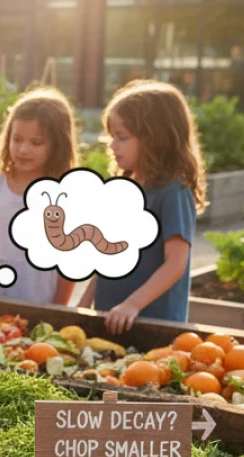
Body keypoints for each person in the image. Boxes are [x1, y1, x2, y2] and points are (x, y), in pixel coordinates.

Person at [78, 80, 207, 333]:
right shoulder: (124, 186)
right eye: (111, 137)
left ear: (156, 139)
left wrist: (132, 305)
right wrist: (84, 303)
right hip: (110, 318)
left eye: (122, 137)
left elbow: (176, 264)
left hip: (152, 325)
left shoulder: (173, 191)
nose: (112, 145)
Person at [0, 87, 80, 305]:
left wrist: (58, 308)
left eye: (36, 143)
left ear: (58, 145)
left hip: (42, 300)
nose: (23, 150)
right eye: (17, 139)